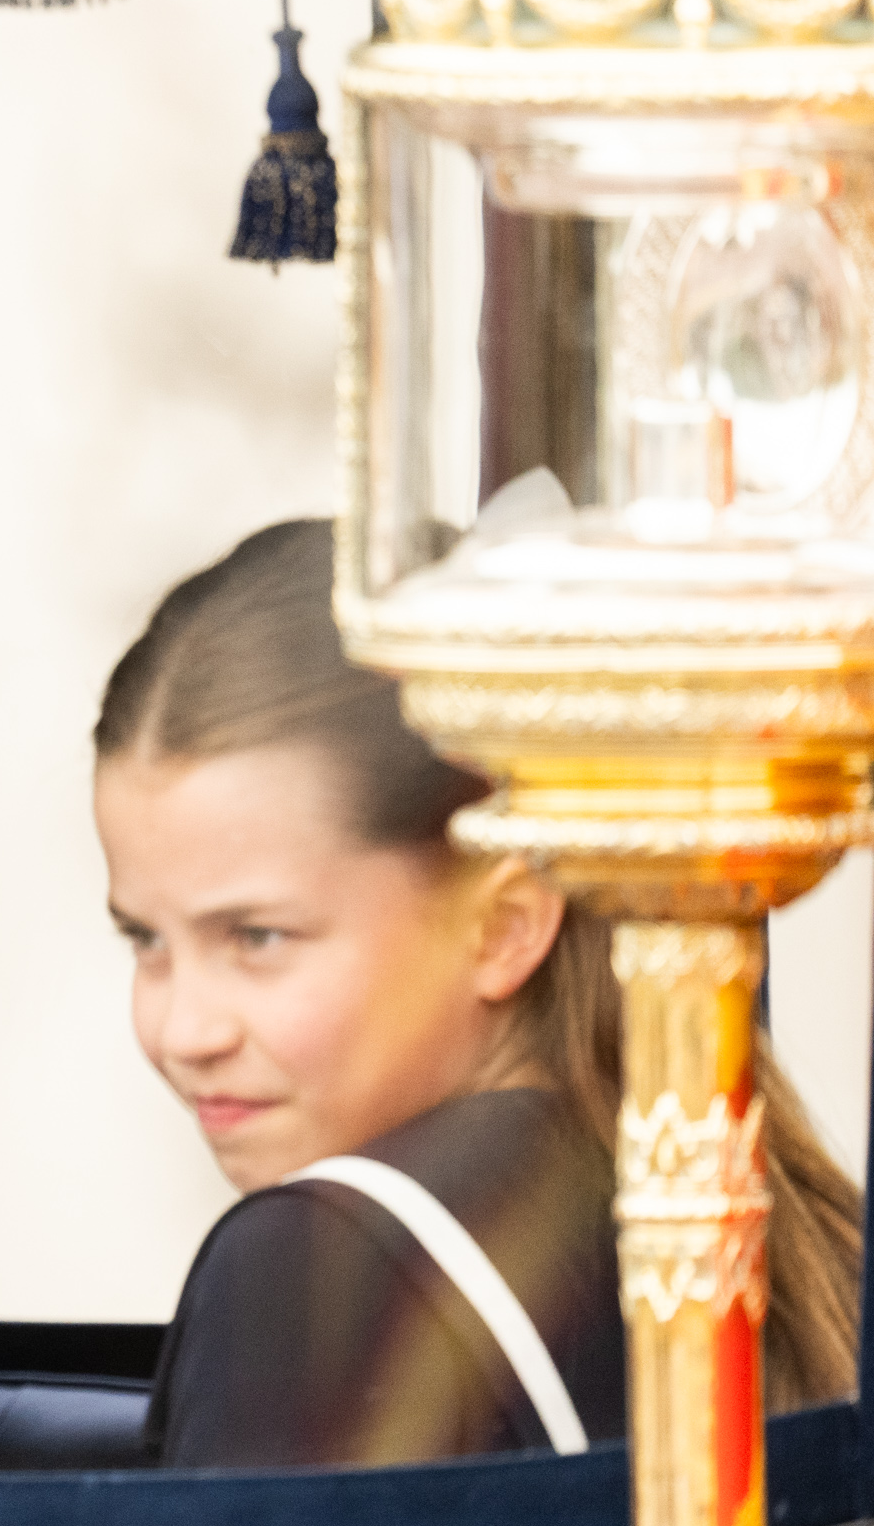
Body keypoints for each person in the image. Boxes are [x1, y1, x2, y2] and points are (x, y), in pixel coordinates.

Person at [96, 519, 861, 1469]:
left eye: (258, 938)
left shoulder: (314, 1264)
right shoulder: (797, 1228)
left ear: (506, 925)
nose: (182, 1029)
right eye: (145, 940)